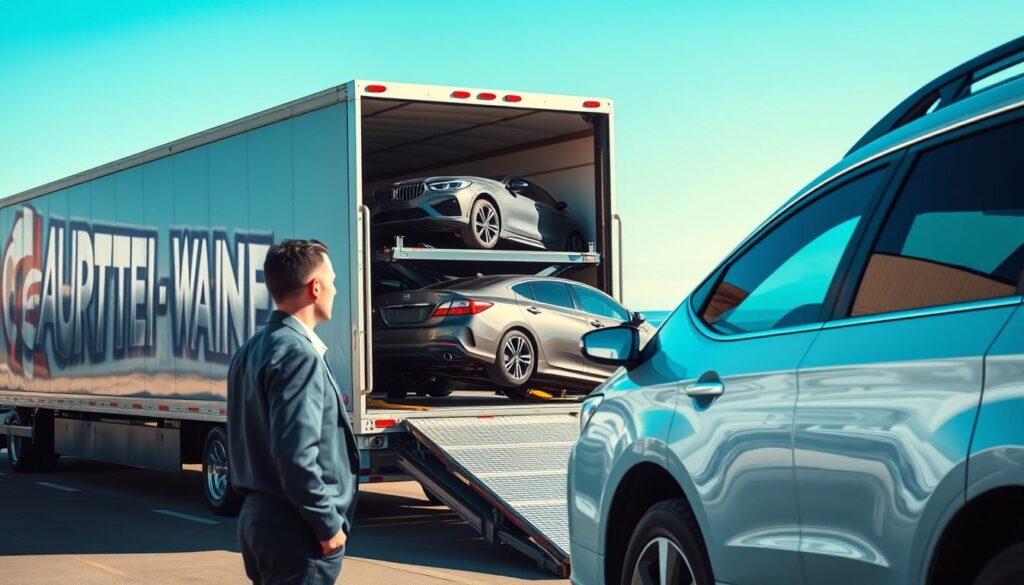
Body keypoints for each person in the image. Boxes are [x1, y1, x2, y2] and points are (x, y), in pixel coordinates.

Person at [227, 239, 359, 585]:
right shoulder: (297, 353)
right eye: (332, 280)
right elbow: (296, 456)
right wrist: (327, 524)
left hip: (259, 520)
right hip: (296, 530)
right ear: (315, 287)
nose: (335, 289)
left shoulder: (251, 348)